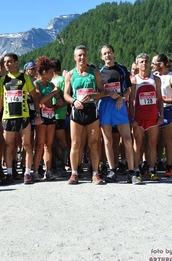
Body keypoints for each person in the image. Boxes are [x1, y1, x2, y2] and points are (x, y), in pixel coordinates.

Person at [0, 52, 42, 184]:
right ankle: (9, 172)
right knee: (8, 146)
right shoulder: (3, 80)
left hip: (24, 117)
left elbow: (35, 97)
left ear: (16, 63)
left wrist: (37, 114)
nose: (6, 64)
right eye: (5, 62)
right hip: (8, 117)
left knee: (26, 145)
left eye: (9, 61)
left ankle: (27, 173)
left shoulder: (25, 78)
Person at [63, 45, 104, 185]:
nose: (82, 57)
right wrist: (74, 101)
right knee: (75, 143)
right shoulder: (70, 74)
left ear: (87, 56)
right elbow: (65, 95)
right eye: (79, 55)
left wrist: (93, 95)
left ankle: (95, 173)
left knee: (93, 143)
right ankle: (74, 173)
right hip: (77, 112)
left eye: (84, 55)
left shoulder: (95, 73)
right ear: (75, 57)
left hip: (91, 110)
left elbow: (102, 92)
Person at [98, 44, 139, 184]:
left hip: (119, 106)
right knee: (108, 141)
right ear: (101, 57)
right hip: (105, 107)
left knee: (127, 139)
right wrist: (108, 93)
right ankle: (112, 170)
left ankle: (132, 172)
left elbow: (128, 89)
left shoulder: (121, 70)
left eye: (109, 52)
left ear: (114, 54)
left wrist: (121, 96)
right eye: (104, 53)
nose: (107, 55)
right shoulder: (100, 72)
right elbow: (97, 92)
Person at [129, 53, 164, 182]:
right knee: (137, 143)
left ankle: (151, 169)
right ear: (137, 64)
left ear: (149, 63)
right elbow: (131, 101)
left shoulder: (156, 79)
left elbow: (159, 99)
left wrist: (161, 115)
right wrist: (132, 118)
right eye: (141, 62)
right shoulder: (134, 80)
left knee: (153, 144)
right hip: (139, 117)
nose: (144, 64)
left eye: (146, 61)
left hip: (153, 116)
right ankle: (136, 169)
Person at [32, 56, 63, 181]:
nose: (52, 75)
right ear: (44, 72)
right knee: (40, 144)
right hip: (41, 116)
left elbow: (53, 100)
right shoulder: (36, 83)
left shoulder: (50, 84)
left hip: (51, 115)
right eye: (50, 72)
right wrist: (53, 93)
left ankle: (48, 170)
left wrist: (58, 102)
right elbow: (39, 101)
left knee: (48, 145)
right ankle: (34, 171)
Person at [151, 54, 172, 177]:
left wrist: (164, 100)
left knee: (167, 140)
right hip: (154, 110)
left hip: (167, 110)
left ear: (161, 64)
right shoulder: (153, 76)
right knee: (154, 140)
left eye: (154, 63)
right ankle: (153, 164)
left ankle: (169, 166)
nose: (151, 65)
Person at [50, 58, 69, 177]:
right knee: (52, 141)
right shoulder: (51, 80)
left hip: (60, 115)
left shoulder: (62, 80)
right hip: (50, 114)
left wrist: (59, 105)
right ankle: (54, 165)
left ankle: (63, 164)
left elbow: (66, 97)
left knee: (61, 140)